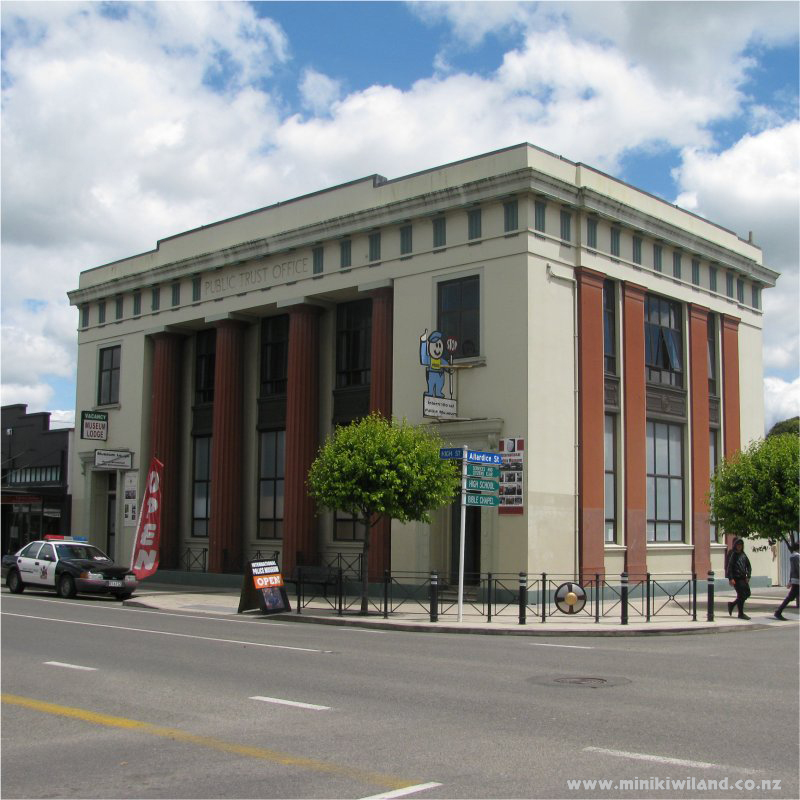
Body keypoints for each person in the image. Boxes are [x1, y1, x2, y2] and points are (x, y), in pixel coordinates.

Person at [725, 537, 752, 620]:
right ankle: (740, 613)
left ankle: (732, 604)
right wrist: (730, 578)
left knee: (747, 593)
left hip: (743, 578)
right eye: (738, 545)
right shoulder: (733, 555)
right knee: (742, 595)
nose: (739, 546)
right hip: (736, 578)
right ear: (735, 545)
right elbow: (729, 567)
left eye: (741, 545)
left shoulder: (743, 555)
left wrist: (748, 575)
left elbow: (749, 566)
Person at [774, 540, 799, 620]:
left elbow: (792, 570)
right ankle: (778, 612)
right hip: (798, 581)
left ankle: (778, 611)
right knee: (790, 597)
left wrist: (790, 580)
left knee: (790, 597)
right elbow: (798, 569)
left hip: (795, 580)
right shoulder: (797, 557)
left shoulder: (793, 556)